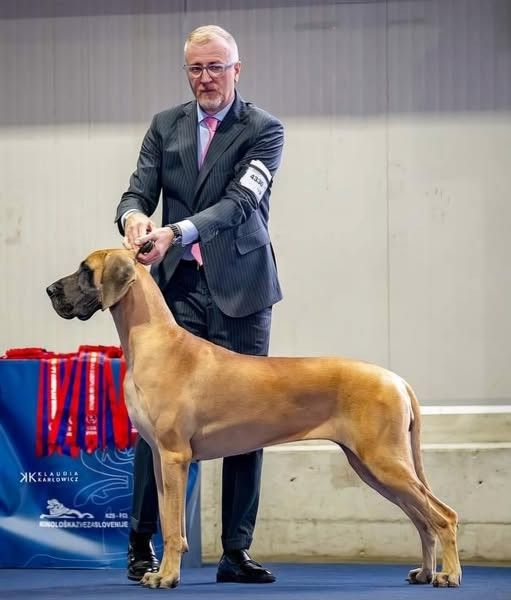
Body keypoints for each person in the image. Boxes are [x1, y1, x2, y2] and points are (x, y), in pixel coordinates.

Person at [115, 25, 284, 584]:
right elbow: (137, 190)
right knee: (156, 423)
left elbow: (240, 203)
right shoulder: (165, 125)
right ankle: (141, 542)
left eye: (216, 67)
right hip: (177, 292)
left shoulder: (265, 130)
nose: (206, 78)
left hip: (243, 291)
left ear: (238, 69)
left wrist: (177, 231)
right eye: (196, 68)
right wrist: (134, 217)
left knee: (250, 420)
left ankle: (236, 550)